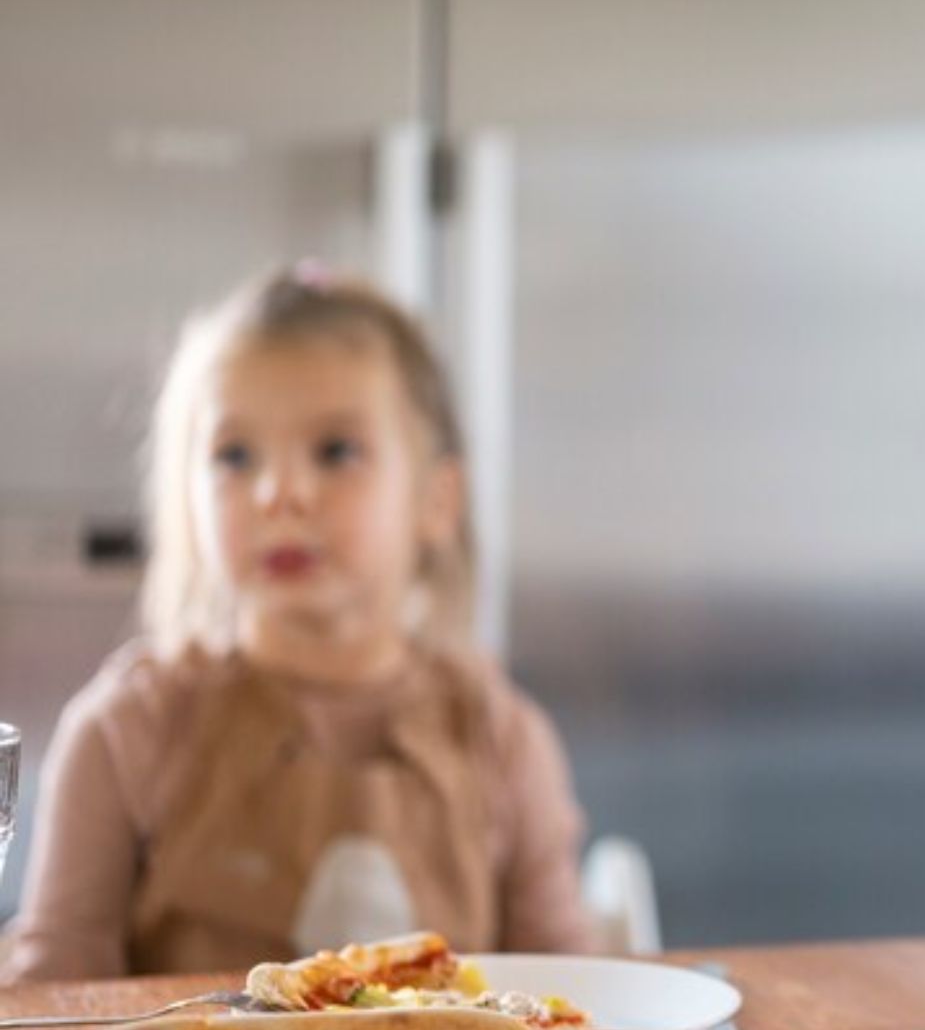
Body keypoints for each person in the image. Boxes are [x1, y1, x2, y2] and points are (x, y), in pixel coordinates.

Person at [1, 265, 597, 982]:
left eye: (335, 451)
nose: (279, 491)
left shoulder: (502, 741)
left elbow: (574, 992)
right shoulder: (127, 731)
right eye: (235, 456)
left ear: (437, 500)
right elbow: (60, 993)